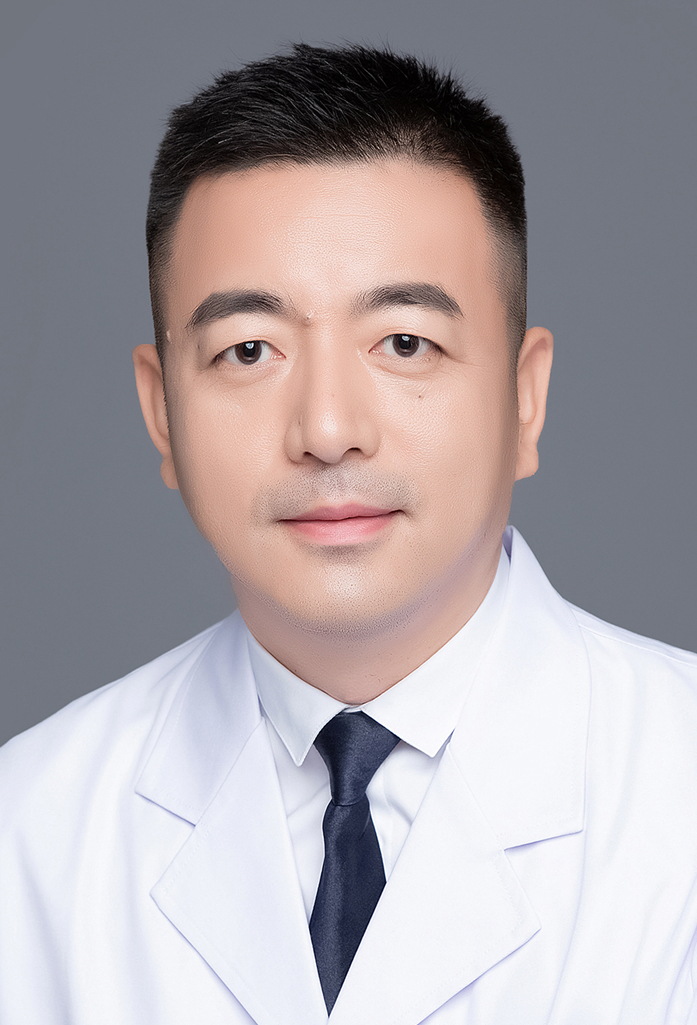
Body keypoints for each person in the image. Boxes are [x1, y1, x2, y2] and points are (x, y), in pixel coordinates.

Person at [1, 42, 696, 1025]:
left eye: (405, 341)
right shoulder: (30, 830)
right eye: (249, 349)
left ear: (524, 396)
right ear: (161, 414)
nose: (327, 428)